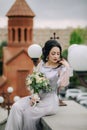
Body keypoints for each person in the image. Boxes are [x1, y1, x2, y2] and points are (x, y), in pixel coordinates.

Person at [5, 39, 70, 130]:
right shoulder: (42, 64)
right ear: (47, 53)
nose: (56, 56)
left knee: (28, 113)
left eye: (58, 53)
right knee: (16, 107)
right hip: (37, 97)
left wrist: (67, 67)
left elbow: (63, 84)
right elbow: (35, 81)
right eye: (53, 53)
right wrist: (33, 96)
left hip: (49, 101)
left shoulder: (60, 68)